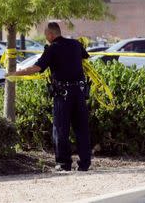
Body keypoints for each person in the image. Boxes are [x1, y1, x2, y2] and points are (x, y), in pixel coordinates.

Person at [7, 22, 91, 172]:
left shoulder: (52, 49)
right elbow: (85, 58)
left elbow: (36, 68)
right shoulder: (76, 44)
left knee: (60, 130)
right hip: (79, 92)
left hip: (63, 95)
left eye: (46, 35)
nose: (46, 38)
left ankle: (64, 164)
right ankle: (85, 163)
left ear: (51, 35)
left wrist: (15, 74)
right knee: (81, 129)